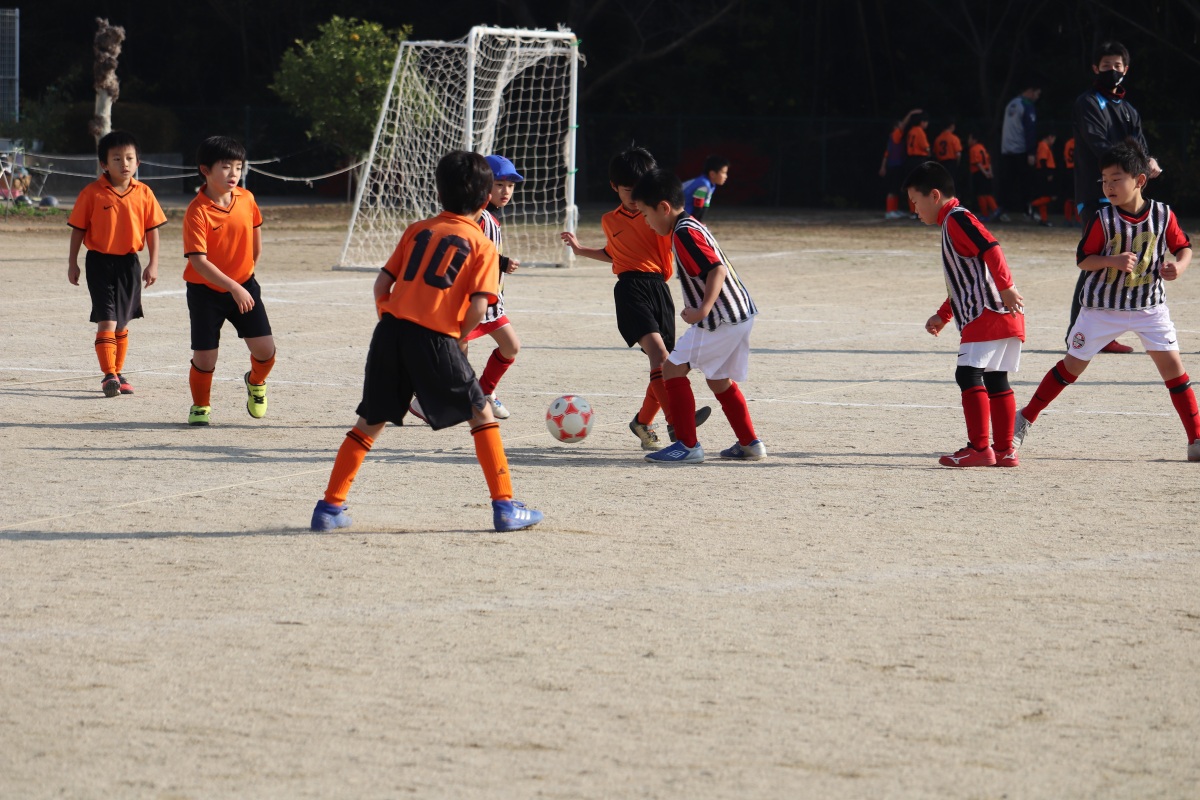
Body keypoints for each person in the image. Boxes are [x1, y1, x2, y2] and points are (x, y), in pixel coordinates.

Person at [310, 150, 543, 533]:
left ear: (439, 193)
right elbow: (479, 306)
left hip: (389, 333)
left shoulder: (417, 229)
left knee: (370, 421)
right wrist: (455, 337)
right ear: (485, 198)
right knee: (481, 414)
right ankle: (505, 507)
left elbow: (381, 285)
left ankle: (329, 508)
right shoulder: (482, 243)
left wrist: (391, 322)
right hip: (435, 338)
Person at [1013, 139, 1198, 462]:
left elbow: (1184, 248)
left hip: (1149, 307)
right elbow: (1083, 260)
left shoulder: (1163, 214)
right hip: (1102, 309)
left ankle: (1196, 439)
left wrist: (1179, 267)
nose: (1108, 186)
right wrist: (1111, 260)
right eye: (1104, 180)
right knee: (1071, 368)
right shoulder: (1103, 219)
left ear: (1140, 180)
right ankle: (1023, 418)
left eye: (1116, 179)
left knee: (1174, 370)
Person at [560, 146, 711, 450]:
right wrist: (580, 250)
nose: (633, 195)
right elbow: (615, 254)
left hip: (660, 290)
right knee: (659, 356)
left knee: (667, 364)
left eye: (639, 188)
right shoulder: (610, 220)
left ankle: (642, 422)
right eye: (627, 189)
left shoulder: (658, 214)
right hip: (630, 288)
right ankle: (677, 421)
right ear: (614, 187)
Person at [631, 168, 764, 464]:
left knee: (671, 369)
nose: (646, 222)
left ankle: (688, 446)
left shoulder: (684, 233)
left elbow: (717, 270)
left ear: (663, 208)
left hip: (719, 319)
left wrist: (702, 310)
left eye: (645, 214)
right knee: (718, 380)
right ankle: (750, 443)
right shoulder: (691, 225)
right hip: (739, 315)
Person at [904, 161, 1025, 468]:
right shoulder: (953, 222)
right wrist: (943, 315)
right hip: (1001, 312)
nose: (914, 209)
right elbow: (966, 280)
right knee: (996, 378)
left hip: (986, 312)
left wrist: (1007, 286)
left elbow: (992, 248)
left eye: (915, 201)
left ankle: (980, 448)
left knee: (967, 374)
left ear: (934, 195)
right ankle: (1004, 450)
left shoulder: (957, 218)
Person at [409, 154, 523, 422]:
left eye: (510, 185)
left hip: (492, 303)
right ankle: (426, 402)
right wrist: (501, 262)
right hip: (471, 301)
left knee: (511, 347)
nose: (506, 191)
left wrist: (499, 265)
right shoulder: (478, 217)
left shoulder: (491, 217)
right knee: (457, 361)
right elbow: (469, 251)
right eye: (499, 185)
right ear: (482, 185)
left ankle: (484, 392)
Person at [1067, 40, 1162, 354]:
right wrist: (1137, 163)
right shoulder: (1087, 103)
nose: (1111, 70)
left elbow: (1141, 146)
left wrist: (1149, 161)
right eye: (1106, 65)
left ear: (1126, 69)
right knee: (1095, 260)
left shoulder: (1129, 109)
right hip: (1095, 193)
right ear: (1095, 68)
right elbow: (1099, 145)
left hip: (1126, 196)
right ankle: (1077, 334)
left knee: (1116, 263)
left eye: (1117, 66)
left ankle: (1102, 334)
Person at [182, 136, 276, 426]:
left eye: (238, 166)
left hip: (244, 286)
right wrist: (233, 287)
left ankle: (255, 383)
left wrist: (244, 278)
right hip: (206, 292)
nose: (233, 173)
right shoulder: (197, 211)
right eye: (225, 167)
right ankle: (201, 406)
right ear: (205, 170)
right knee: (205, 357)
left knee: (266, 351)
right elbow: (199, 262)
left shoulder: (247, 199)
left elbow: (256, 240)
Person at [67, 130, 167, 397]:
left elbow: (152, 231)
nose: (124, 163)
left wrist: (153, 264)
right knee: (107, 320)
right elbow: (77, 230)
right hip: (99, 263)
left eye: (129, 158)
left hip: (129, 264)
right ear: (104, 164)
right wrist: (72, 263)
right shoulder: (92, 193)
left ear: (138, 162)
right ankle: (108, 375)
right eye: (117, 158)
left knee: (122, 323)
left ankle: (118, 374)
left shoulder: (144, 193)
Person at [999, 84, 1041, 221]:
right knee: (1026, 183)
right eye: (1037, 93)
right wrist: (1031, 152)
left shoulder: (1011, 104)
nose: (1037, 97)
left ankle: (1003, 211)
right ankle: (1027, 211)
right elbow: (1030, 130)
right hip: (1021, 150)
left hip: (1007, 150)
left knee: (1007, 182)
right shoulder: (1027, 105)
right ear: (1030, 91)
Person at [880, 108, 921, 219]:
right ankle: (890, 211)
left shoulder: (893, 137)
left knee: (896, 187)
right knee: (893, 188)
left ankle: (893, 209)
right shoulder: (896, 133)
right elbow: (903, 124)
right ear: (895, 126)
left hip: (894, 164)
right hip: (894, 164)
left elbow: (886, 154)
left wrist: (883, 166)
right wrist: (910, 113)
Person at [681, 154, 730, 223]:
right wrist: (696, 224)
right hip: (679, 214)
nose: (726, 176)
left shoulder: (710, 185)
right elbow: (698, 208)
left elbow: (704, 206)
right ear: (712, 174)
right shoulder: (704, 184)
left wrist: (699, 223)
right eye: (723, 173)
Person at [966, 133, 999, 221]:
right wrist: (990, 172)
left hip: (979, 173)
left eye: (970, 139)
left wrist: (985, 173)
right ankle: (995, 209)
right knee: (987, 193)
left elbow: (977, 163)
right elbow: (988, 161)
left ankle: (986, 214)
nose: (968, 141)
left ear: (974, 140)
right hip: (986, 171)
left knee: (981, 194)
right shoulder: (982, 148)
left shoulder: (973, 149)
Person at [1028, 133, 1058, 227]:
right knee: (1049, 197)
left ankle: (1044, 219)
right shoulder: (1043, 145)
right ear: (1050, 137)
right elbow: (1042, 160)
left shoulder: (1043, 145)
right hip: (1044, 173)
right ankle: (1032, 205)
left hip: (1044, 172)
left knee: (1044, 198)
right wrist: (1048, 174)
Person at [934, 121, 963, 196]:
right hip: (951, 163)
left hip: (941, 163)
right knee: (952, 184)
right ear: (952, 126)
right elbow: (958, 154)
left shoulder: (938, 139)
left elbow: (935, 152)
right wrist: (957, 164)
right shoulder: (954, 138)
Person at [1062, 136, 1080, 226]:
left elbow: (1065, 157)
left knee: (1069, 197)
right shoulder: (1079, 142)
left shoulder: (1068, 143)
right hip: (1077, 170)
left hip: (1068, 170)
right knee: (1078, 197)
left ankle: (1067, 220)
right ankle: (1078, 220)